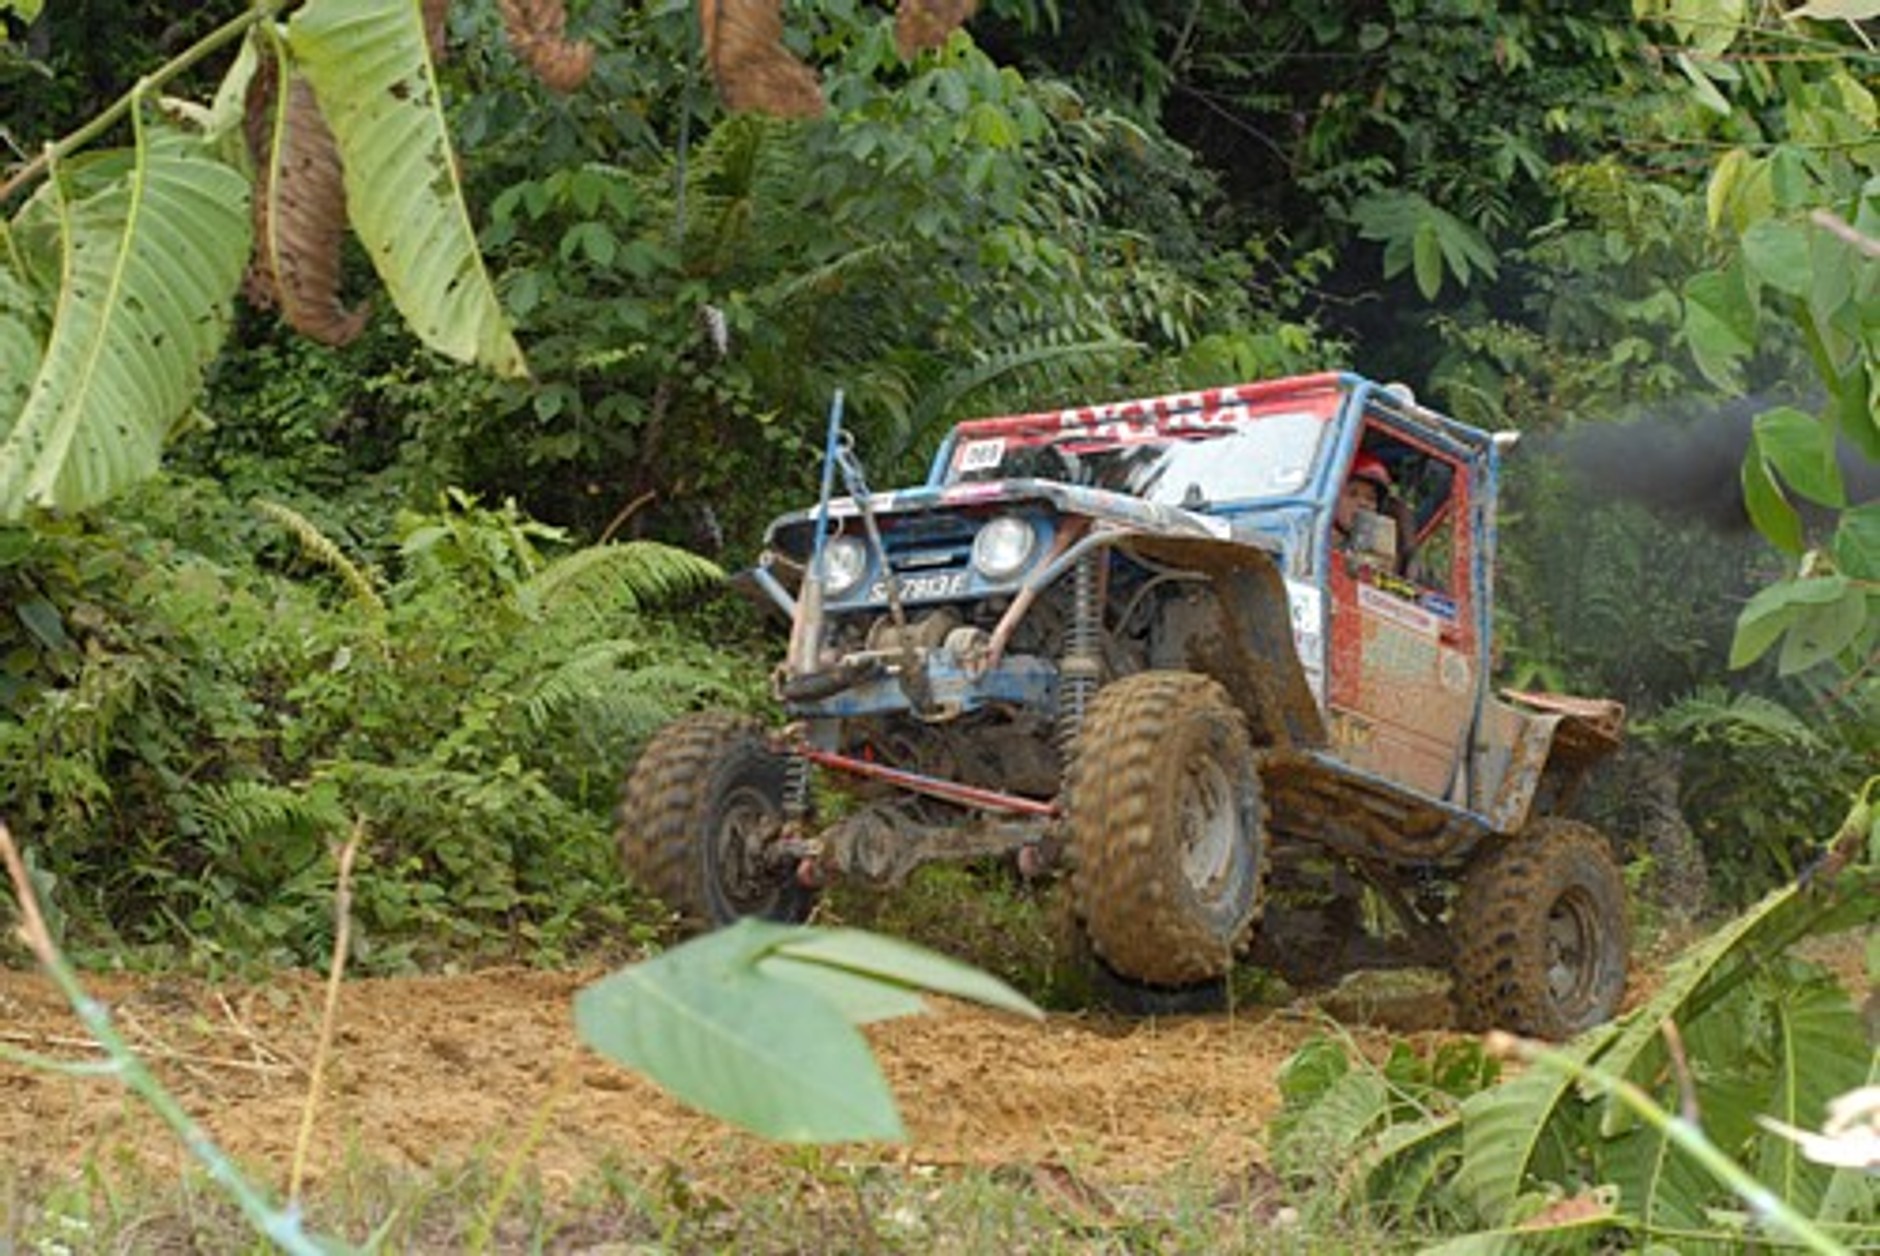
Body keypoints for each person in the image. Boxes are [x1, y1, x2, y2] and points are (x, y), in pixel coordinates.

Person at [1333, 451, 1398, 568]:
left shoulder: (1379, 556)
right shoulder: (1309, 537)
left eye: (1371, 498)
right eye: (1352, 494)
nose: (1363, 504)